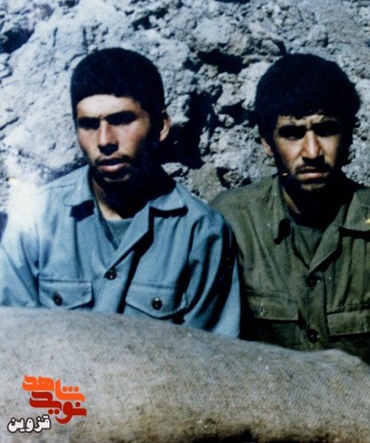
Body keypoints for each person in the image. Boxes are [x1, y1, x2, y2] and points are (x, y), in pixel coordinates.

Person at [210, 53, 370, 397]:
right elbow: (215, 350)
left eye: (326, 130)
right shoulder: (233, 221)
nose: (312, 151)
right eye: (292, 134)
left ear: (349, 135)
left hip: (364, 414)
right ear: (266, 142)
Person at [0, 48, 240, 336]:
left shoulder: (201, 233)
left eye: (122, 120)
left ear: (161, 126)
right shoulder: (36, 218)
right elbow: (14, 342)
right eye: (89, 125)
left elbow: (211, 355)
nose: (105, 141)